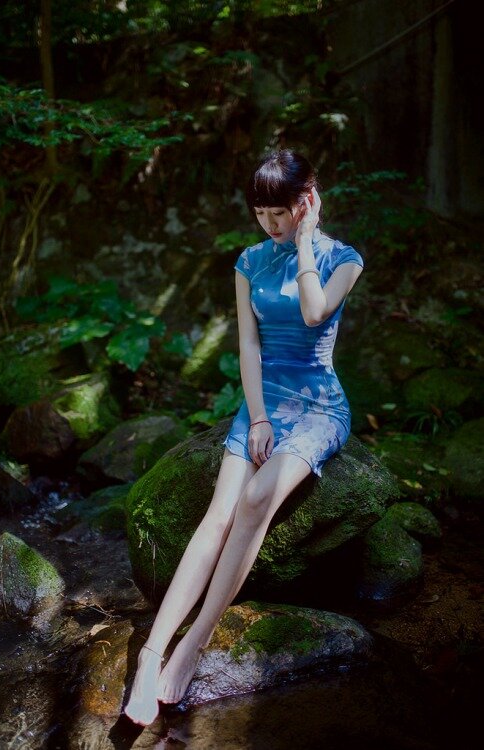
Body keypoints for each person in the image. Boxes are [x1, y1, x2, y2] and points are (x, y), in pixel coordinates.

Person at [123, 149, 364, 727]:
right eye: (261, 213)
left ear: (307, 201)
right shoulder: (249, 262)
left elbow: (313, 313)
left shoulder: (343, 259)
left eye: (280, 212)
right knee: (218, 514)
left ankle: (194, 643)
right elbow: (248, 344)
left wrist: (304, 241)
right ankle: (153, 652)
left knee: (257, 499)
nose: (269, 224)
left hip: (319, 406)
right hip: (265, 399)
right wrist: (257, 417)